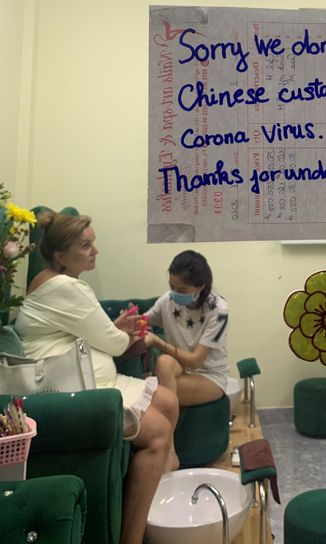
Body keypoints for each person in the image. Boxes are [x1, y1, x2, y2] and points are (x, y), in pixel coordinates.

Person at [15, 213, 179, 544]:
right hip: (74, 391)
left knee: (168, 399)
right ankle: (133, 536)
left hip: (94, 380)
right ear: (61, 255)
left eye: (93, 243)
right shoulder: (65, 287)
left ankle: (159, 493)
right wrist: (121, 332)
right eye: (86, 245)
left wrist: (114, 330)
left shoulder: (52, 282)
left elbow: (91, 333)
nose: (95, 252)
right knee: (159, 431)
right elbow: (114, 343)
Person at [143, 250, 229, 406]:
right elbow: (143, 322)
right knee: (163, 362)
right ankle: (169, 427)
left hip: (209, 375)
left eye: (181, 290)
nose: (174, 293)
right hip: (180, 367)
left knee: (153, 393)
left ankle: (168, 428)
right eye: (171, 286)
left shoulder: (218, 311)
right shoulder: (167, 301)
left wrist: (159, 343)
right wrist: (132, 322)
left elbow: (196, 361)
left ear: (200, 287)